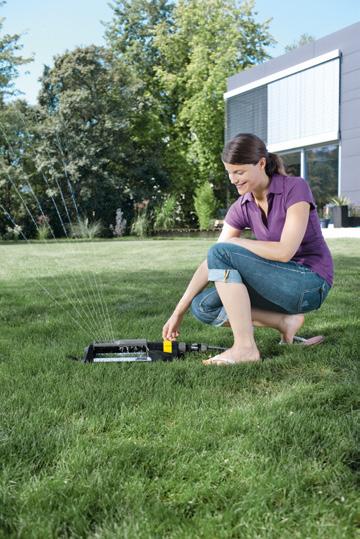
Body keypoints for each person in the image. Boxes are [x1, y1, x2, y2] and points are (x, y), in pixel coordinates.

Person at [162, 133, 333, 366]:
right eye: (229, 173)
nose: (233, 179)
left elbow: (285, 252)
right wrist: (178, 311)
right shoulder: (242, 206)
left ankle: (245, 348)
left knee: (222, 249)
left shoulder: (295, 189)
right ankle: (285, 322)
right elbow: (212, 259)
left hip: (310, 283)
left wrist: (235, 244)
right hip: (276, 284)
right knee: (203, 307)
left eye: (239, 172)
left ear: (261, 163)